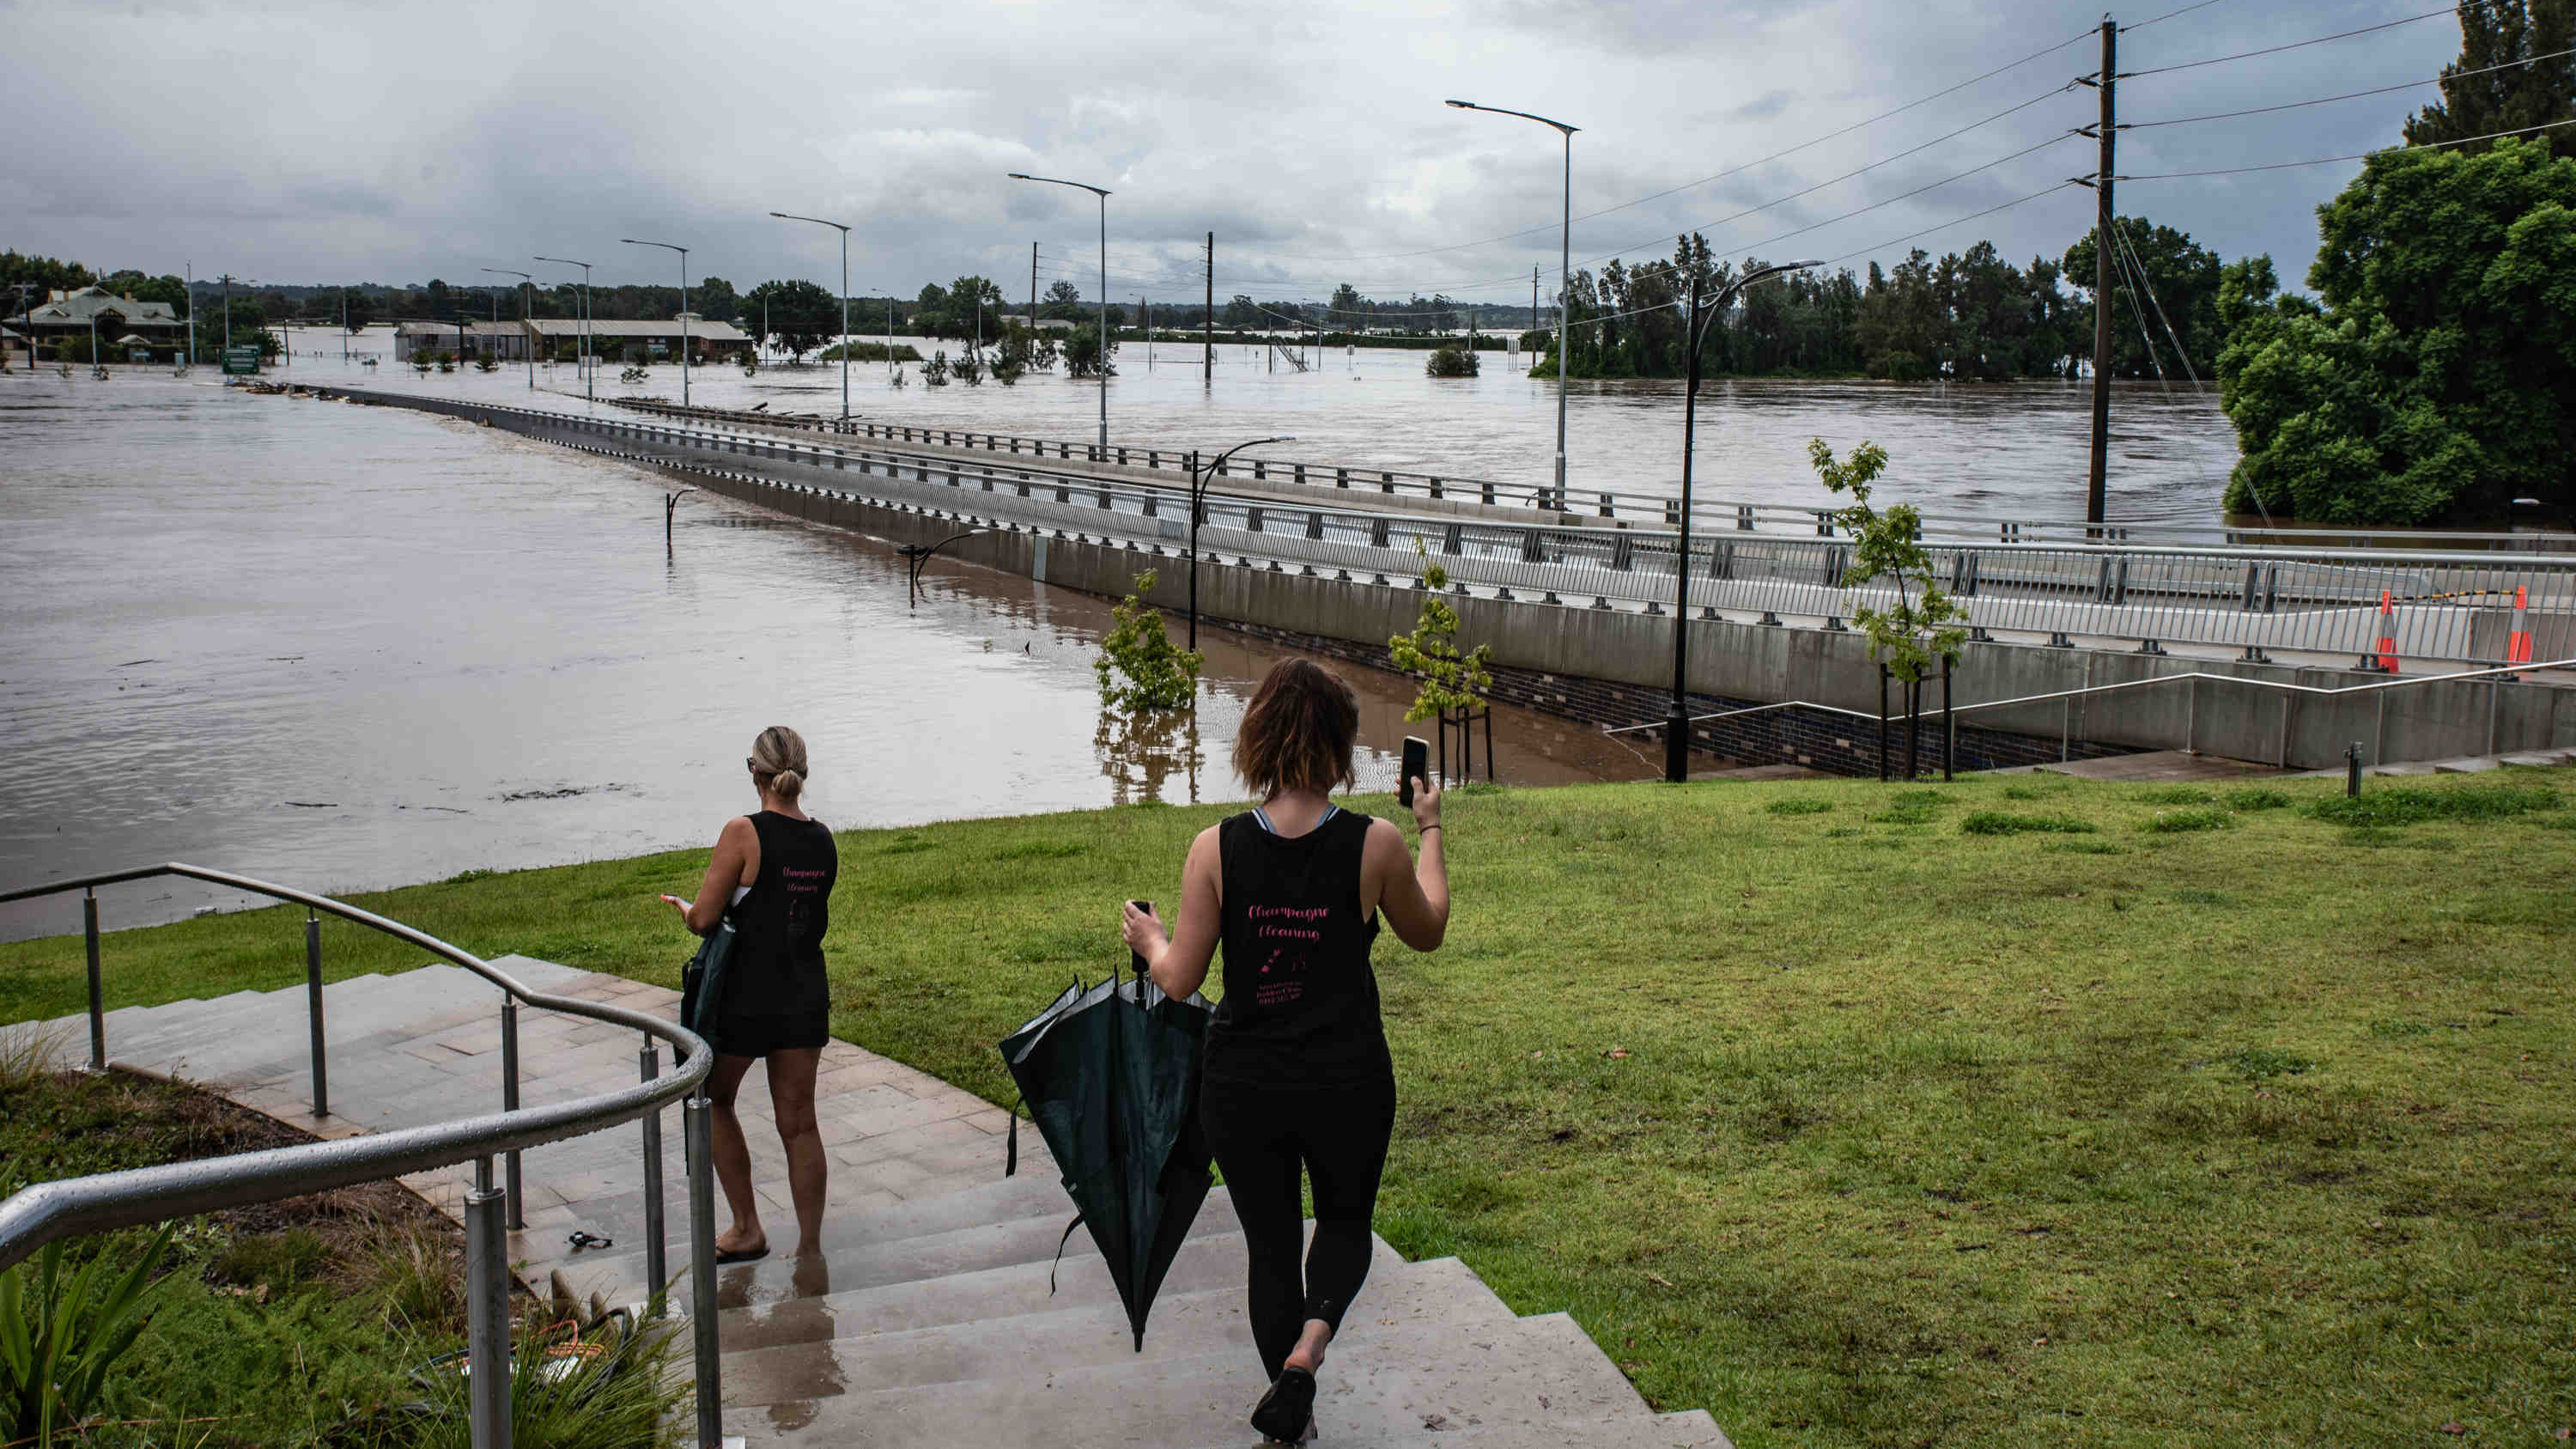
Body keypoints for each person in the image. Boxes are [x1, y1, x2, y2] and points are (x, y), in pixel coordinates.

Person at [1121, 659, 1449, 1445]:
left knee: (1270, 1247)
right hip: (1347, 1077)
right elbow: (1429, 926)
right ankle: (1310, 1349)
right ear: (1340, 743)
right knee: (1342, 1224)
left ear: (1259, 736)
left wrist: (1150, 935)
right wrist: (1432, 824)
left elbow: (1179, 980)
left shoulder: (1216, 847)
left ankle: (1288, 1418)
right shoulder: (1376, 843)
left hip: (1244, 1083)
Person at [665, 725, 838, 1262]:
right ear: (800, 775)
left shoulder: (743, 832)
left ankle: (747, 1227)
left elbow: (706, 918)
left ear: (755, 773)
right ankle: (810, 1245)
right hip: (804, 990)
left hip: (744, 993)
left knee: (716, 1098)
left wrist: (684, 911)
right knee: (800, 1122)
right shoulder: (823, 838)